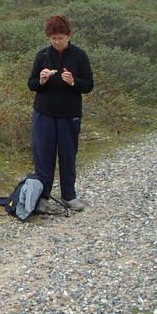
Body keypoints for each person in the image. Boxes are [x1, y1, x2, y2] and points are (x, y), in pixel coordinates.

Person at [27, 15, 94, 213]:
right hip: (44, 113)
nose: (57, 42)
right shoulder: (42, 55)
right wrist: (41, 80)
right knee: (43, 156)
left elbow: (89, 85)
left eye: (61, 38)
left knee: (68, 155)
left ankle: (69, 197)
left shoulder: (79, 56)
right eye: (53, 38)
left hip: (69, 114)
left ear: (69, 36)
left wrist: (74, 82)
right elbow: (31, 84)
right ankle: (42, 198)